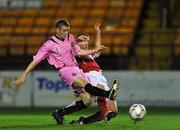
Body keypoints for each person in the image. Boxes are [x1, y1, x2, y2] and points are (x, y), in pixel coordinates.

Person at [15, 19, 120, 125]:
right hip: (66, 70)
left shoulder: (70, 38)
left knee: (87, 101)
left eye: (68, 30)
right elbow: (35, 60)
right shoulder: (48, 45)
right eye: (64, 30)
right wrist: (24, 75)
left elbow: (77, 51)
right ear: (57, 29)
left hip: (76, 69)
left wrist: (94, 49)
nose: (66, 33)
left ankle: (59, 113)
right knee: (85, 84)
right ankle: (108, 94)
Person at [70, 23, 118, 125]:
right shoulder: (74, 51)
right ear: (76, 42)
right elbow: (81, 51)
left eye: (87, 40)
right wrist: (94, 50)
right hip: (89, 75)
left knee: (111, 112)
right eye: (83, 40)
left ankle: (82, 121)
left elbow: (97, 50)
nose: (86, 42)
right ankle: (63, 112)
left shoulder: (88, 55)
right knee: (103, 93)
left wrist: (98, 32)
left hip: (99, 75)